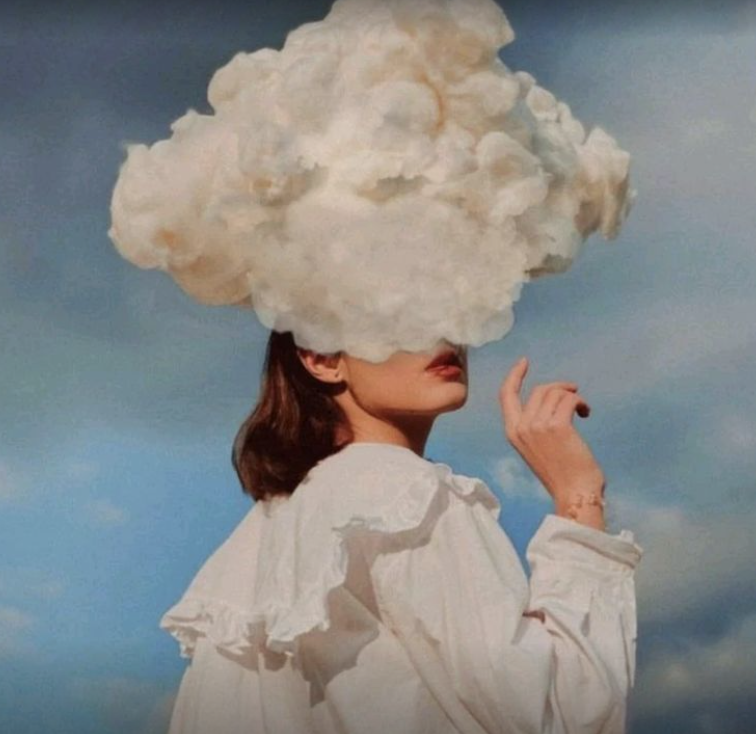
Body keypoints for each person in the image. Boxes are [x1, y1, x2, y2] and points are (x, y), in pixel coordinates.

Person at [160, 329, 643, 734]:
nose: (443, 333)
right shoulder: (403, 495)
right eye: (402, 312)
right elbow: (563, 717)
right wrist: (578, 494)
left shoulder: (263, 534)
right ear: (322, 358)